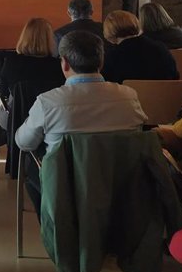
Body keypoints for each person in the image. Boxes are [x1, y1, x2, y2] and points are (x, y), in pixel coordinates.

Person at [15, 30, 147, 213]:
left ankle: (56, 231)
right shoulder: (129, 96)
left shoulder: (48, 102)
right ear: (101, 62)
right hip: (119, 184)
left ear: (65, 63)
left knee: (31, 170)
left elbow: (24, 142)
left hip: (66, 188)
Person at [101, 10, 179, 83]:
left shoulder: (112, 56)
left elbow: (106, 84)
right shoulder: (160, 48)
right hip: (164, 96)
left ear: (109, 30)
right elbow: (175, 77)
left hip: (128, 97)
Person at [0, 18, 65, 103]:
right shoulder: (58, 66)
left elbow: (3, 93)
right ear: (49, 39)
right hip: (49, 114)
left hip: (18, 114)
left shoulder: (11, 62)